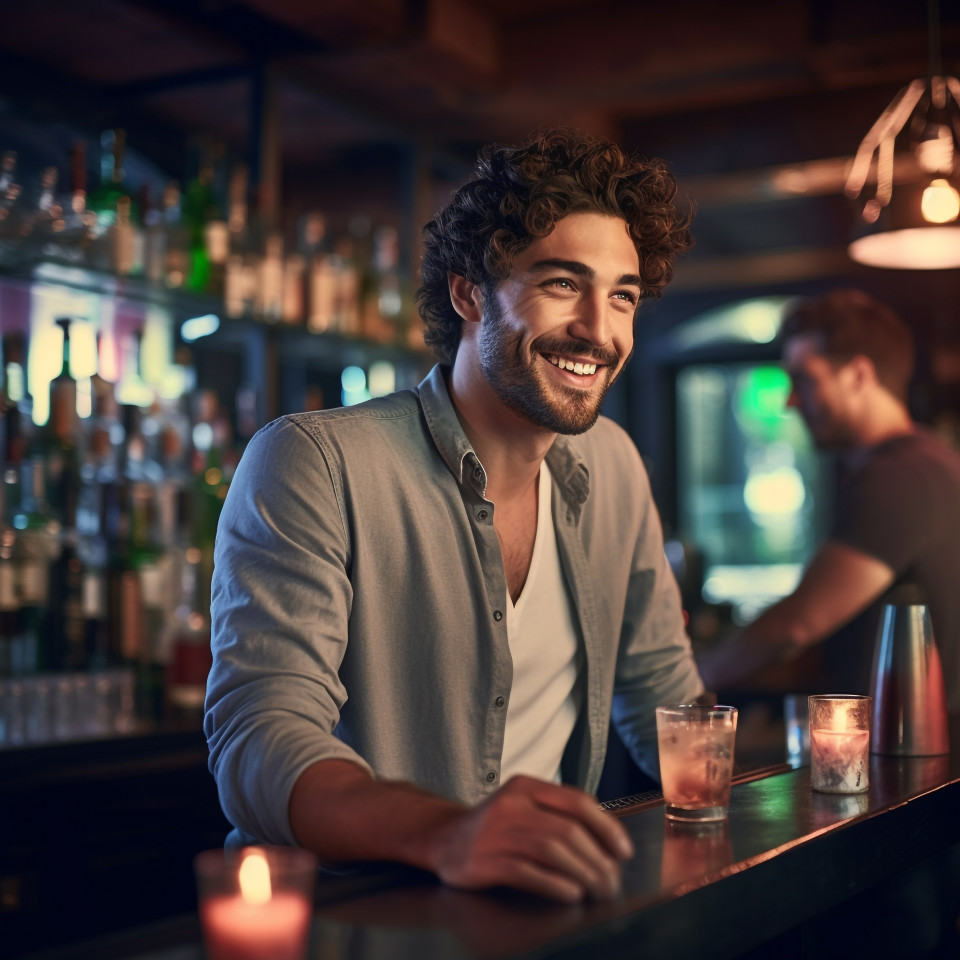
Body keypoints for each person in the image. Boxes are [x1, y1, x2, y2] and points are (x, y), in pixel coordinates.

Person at [205, 128, 703, 905]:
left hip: (543, 906)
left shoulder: (613, 464)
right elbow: (261, 740)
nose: (601, 332)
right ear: (469, 293)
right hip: (364, 913)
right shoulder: (315, 462)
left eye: (623, 296)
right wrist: (447, 834)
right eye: (563, 283)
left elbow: (659, 688)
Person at [698, 289, 960, 714]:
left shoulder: (900, 478)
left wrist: (692, 676)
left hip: (916, 760)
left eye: (804, 379)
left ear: (859, 375)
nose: (790, 399)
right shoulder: (927, 465)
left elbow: (798, 624)